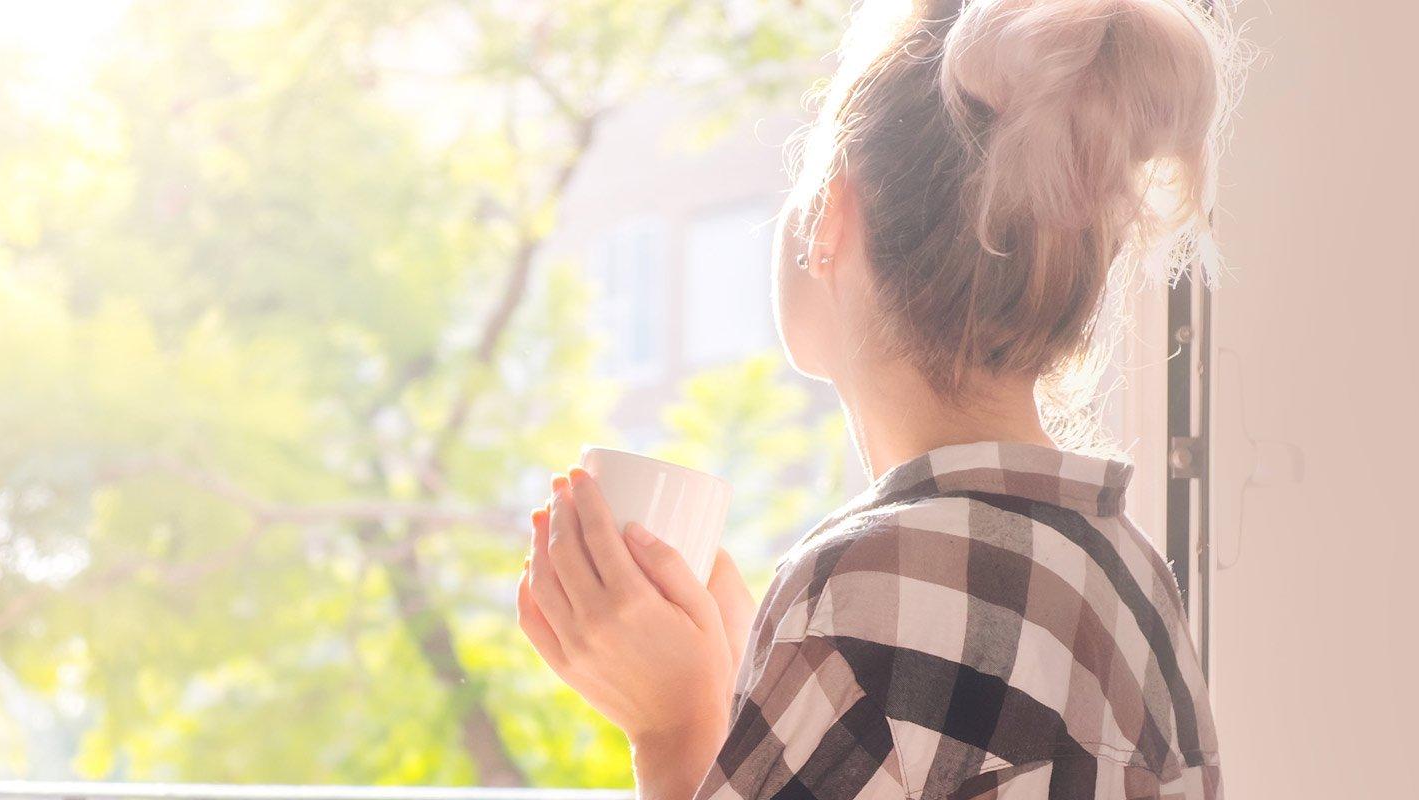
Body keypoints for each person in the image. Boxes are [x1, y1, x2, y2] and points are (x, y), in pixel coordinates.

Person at [514, 0, 1235, 798]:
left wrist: (674, 725)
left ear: (834, 215)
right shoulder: (1130, 568)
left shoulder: (867, 588)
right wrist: (765, 686)